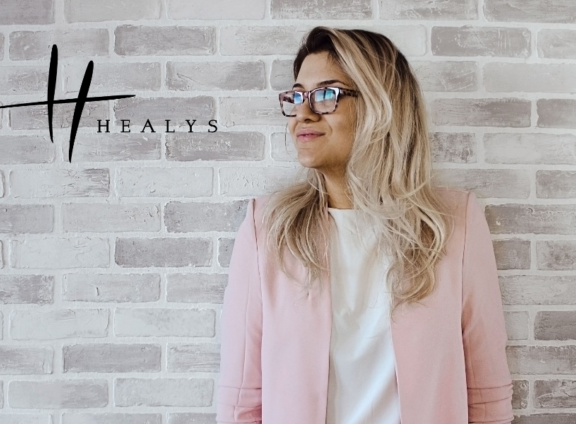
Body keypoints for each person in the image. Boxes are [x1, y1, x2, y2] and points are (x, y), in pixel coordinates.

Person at [216, 26, 514, 424]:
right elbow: (241, 404)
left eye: (326, 94)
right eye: (297, 96)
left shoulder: (454, 225)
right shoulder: (267, 230)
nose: (303, 113)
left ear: (380, 104)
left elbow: (486, 397)